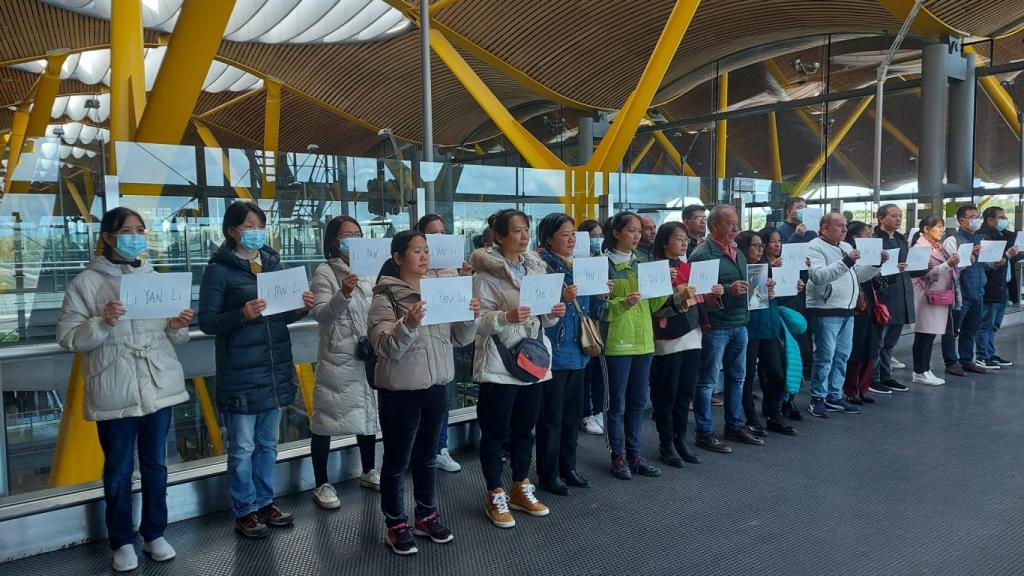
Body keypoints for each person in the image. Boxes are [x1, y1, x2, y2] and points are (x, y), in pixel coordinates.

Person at [56, 208, 193, 572]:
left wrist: (178, 325)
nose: (135, 236)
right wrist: (103, 321)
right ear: (107, 236)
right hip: (115, 388)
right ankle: (121, 539)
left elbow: (173, 336)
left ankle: (154, 532)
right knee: (117, 469)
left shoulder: (155, 278)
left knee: (155, 466)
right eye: (126, 230)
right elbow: (68, 338)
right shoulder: (85, 283)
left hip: (158, 384)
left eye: (140, 229)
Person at [198, 201, 315, 539]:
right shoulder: (219, 270)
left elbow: (279, 316)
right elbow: (208, 321)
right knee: (243, 447)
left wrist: (300, 310)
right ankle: (245, 509)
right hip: (240, 372)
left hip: (273, 367)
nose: (256, 231)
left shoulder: (272, 264)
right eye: (249, 225)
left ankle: (265, 502)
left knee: (267, 444)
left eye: (260, 224)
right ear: (233, 230)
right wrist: (242, 315)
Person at [367, 230, 480, 555]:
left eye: (426, 251)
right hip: (400, 390)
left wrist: (469, 317)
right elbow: (385, 346)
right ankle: (395, 523)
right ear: (399, 258)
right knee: (396, 460)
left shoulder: (440, 290)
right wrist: (409, 323)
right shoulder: (384, 297)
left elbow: (460, 339)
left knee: (427, 457)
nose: (424, 256)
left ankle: (426, 515)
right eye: (417, 251)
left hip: (436, 385)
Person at [470, 208, 566, 528]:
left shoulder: (537, 269)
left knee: (526, 428)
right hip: (499, 361)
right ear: (498, 236)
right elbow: (476, 322)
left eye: (526, 230)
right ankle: (494, 491)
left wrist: (554, 311)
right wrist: (504, 318)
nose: (524, 237)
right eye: (516, 231)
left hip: (533, 360)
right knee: (496, 433)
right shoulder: (484, 275)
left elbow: (544, 319)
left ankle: (520, 485)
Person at [307, 216, 381, 512]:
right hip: (338, 355)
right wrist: (344, 293)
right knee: (325, 418)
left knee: (366, 411)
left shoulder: (372, 271)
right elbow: (322, 314)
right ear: (334, 241)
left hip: (367, 352)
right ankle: (321, 482)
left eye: (357, 233)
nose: (352, 238)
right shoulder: (325, 271)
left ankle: (368, 470)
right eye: (346, 234)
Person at [601, 211, 669, 478]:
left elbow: (655, 305)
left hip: (643, 342)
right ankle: (617, 456)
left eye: (640, 231)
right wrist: (622, 303)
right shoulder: (602, 266)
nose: (637, 235)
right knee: (616, 403)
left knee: (639, 402)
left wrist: (666, 288)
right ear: (616, 232)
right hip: (617, 342)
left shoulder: (645, 262)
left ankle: (635, 454)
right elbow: (599, 309)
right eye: (631, 230)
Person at [689, 205, 762, 452]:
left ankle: (734, 425)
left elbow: (749, 286)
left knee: (737, 377)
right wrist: (729, 290)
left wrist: (761, 290)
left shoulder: (738, 252)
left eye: (736, 223)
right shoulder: (702, 255)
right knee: (708, 381)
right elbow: (696, 295)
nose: (735, 228)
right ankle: (704, 431)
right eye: (730, 224)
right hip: (716, 325)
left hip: (740, 323)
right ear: (714, 226)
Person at [535, 213, 594, 495]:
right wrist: (562, 298)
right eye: (565, 234)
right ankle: (548, 473)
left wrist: (600, 294)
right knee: (552, 417)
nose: (571, 239)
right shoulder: (542, 267)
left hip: (578, 349)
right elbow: (538, 308)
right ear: (548, 238)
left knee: (572, 415)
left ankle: (568, 467)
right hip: (555, 350)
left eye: (573, 234)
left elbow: (589, 308)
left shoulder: (581, 266)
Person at [805, 212, 881, 418]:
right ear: (824, 228)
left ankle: (834, 395)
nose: (844, 230)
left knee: (842, 356)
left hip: (848, 309)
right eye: (839, 226)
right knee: (825, 356)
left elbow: (859, 276)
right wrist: (846, 261)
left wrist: (876, 264)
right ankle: (818, 397)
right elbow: (819, 277)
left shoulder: (846, 247)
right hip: (825, 309)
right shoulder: (814, 247)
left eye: (845, 226)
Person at [415, 214, 469, 473]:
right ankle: (421, 451)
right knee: (420, 402)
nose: (438, 237)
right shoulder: (415, 270)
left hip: (445, 341)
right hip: (420, 343)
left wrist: (465, 277)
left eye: (442, 232)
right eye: (431, 233)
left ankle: (441, 449)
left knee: (443, 399)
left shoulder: (451, 268)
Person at [649, 222, 705, 467]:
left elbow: (699, 301)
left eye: (685, 238)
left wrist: (713, 293)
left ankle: (680, 439)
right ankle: (666, 443)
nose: (684, 243)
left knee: (685, 393)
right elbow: (657, 309)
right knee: (666, 394)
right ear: (664, 242)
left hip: (693, 334)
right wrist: (677, 296)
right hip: (669, 337)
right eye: (678, 238)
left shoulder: (687, 267)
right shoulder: (654, 269)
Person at [736, 230, 797, 436]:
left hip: (770, 327)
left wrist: (793, 289)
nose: (759, 249)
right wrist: (763, 291)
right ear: (744, 247)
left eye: (761, 245)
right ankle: (751, 418)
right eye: (755, 245)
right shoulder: (740, 269)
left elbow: (778, 300)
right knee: (747, 376)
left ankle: (774, 415)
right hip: (749, 327)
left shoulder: (767, 268)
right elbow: (749, 301)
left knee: (777, 374)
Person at [761, 227, 804, 421]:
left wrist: (795, 289)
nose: (777, 244)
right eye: (772, 241)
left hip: (779, 319)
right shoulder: (759, 266)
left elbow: (781, 299)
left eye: (779, 241)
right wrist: (772, 269)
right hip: (765, 321)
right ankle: (772, 407)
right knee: (772, 368)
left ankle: (786, 401)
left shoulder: (785, 264)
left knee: (790, 360)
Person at [910, 216, 959, 386]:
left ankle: (925, 369)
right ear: (925, 229)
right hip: (926, 296)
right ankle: (919, 370)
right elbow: (921, 273)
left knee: (930, 335)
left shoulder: (937, 246)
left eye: (942, 227)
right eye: (938, 227)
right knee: (923, 334)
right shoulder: (919, 247)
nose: (942, 230)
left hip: (939, 295)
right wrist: (946, 265)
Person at [941, 205, 989, 377]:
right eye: (973, 217)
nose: (977, 220)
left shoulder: (980, 238)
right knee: (952, 330)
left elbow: (984, 265)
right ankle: (951, 362)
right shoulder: (953, 239)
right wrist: (969, 255)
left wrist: (994, 260)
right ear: (962, 220)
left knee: (971, 328)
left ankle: (967, 360)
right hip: (959, 292)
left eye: (978, 216)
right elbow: (951, 265)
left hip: (977, 290)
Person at [870, 204, 913, 394]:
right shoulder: (874, 240)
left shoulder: (902, 239)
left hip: (901, 292)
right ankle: (873, 377)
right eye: (894, 216)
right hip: (883, 294)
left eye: (900, 216)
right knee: (878, 340)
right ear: (881, 218)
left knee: (890, 342)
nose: (898, 219)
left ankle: (886, 375)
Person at [843, 222, 883, 405]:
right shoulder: (849, 255)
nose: (871, 238)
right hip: (856, 306)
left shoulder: (872, 254)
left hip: (870, 304)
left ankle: (863, 388)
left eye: (871, 235)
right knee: (856, 348)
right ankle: (851, 389)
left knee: (870, 347)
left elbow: (878, 283)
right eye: (866, 235)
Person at [976, 206, 1018, 369]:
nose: (1004, 219)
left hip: (1003, 285)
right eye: (1001, 217)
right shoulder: (984, 237)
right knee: (986, 322)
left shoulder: (1005, 235)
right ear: (990, 220)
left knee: (994, 323)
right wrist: (1007, 255)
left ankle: (990, 353)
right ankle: (982, 355)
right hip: (990, 286)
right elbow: (990, 261)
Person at [577, 218, 606, 435]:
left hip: (597, 325)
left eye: (599, 236)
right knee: (585, 374)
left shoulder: (600, 260)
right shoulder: (574, 263)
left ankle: (597, 410)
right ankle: (586, 413)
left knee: (597, 373)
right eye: (593, 236)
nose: (597, 240)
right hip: (580, 324)